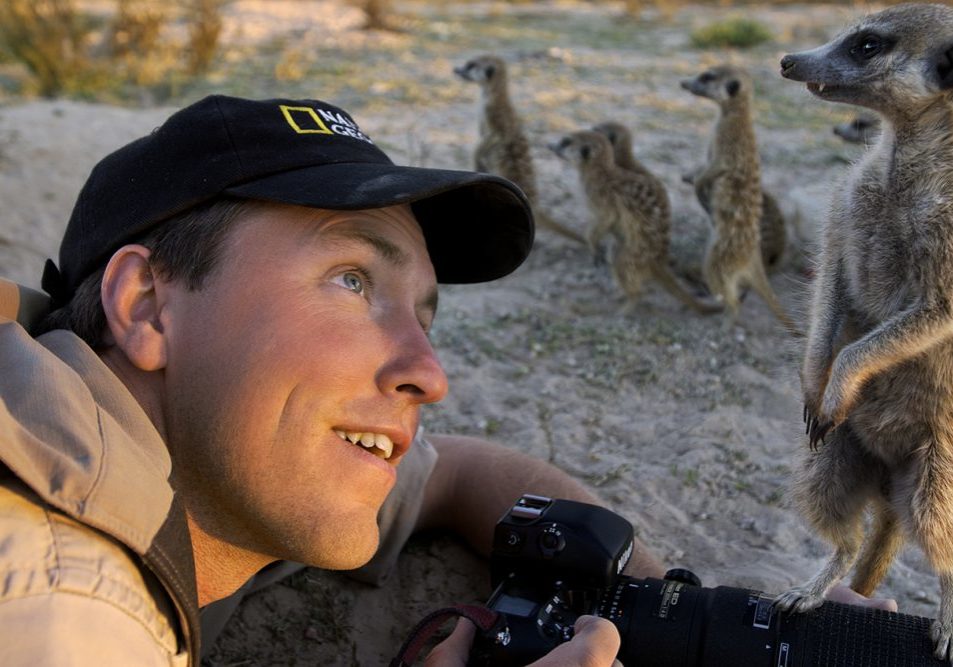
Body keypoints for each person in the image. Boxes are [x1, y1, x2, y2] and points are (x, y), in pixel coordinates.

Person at [0, 95, 893, 667]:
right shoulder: (59, 604)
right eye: (351, 281)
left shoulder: (186, 435)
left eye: (422, 313)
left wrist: (666, 610)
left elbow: (463, 471)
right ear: (146, 306)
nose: (429, 375)